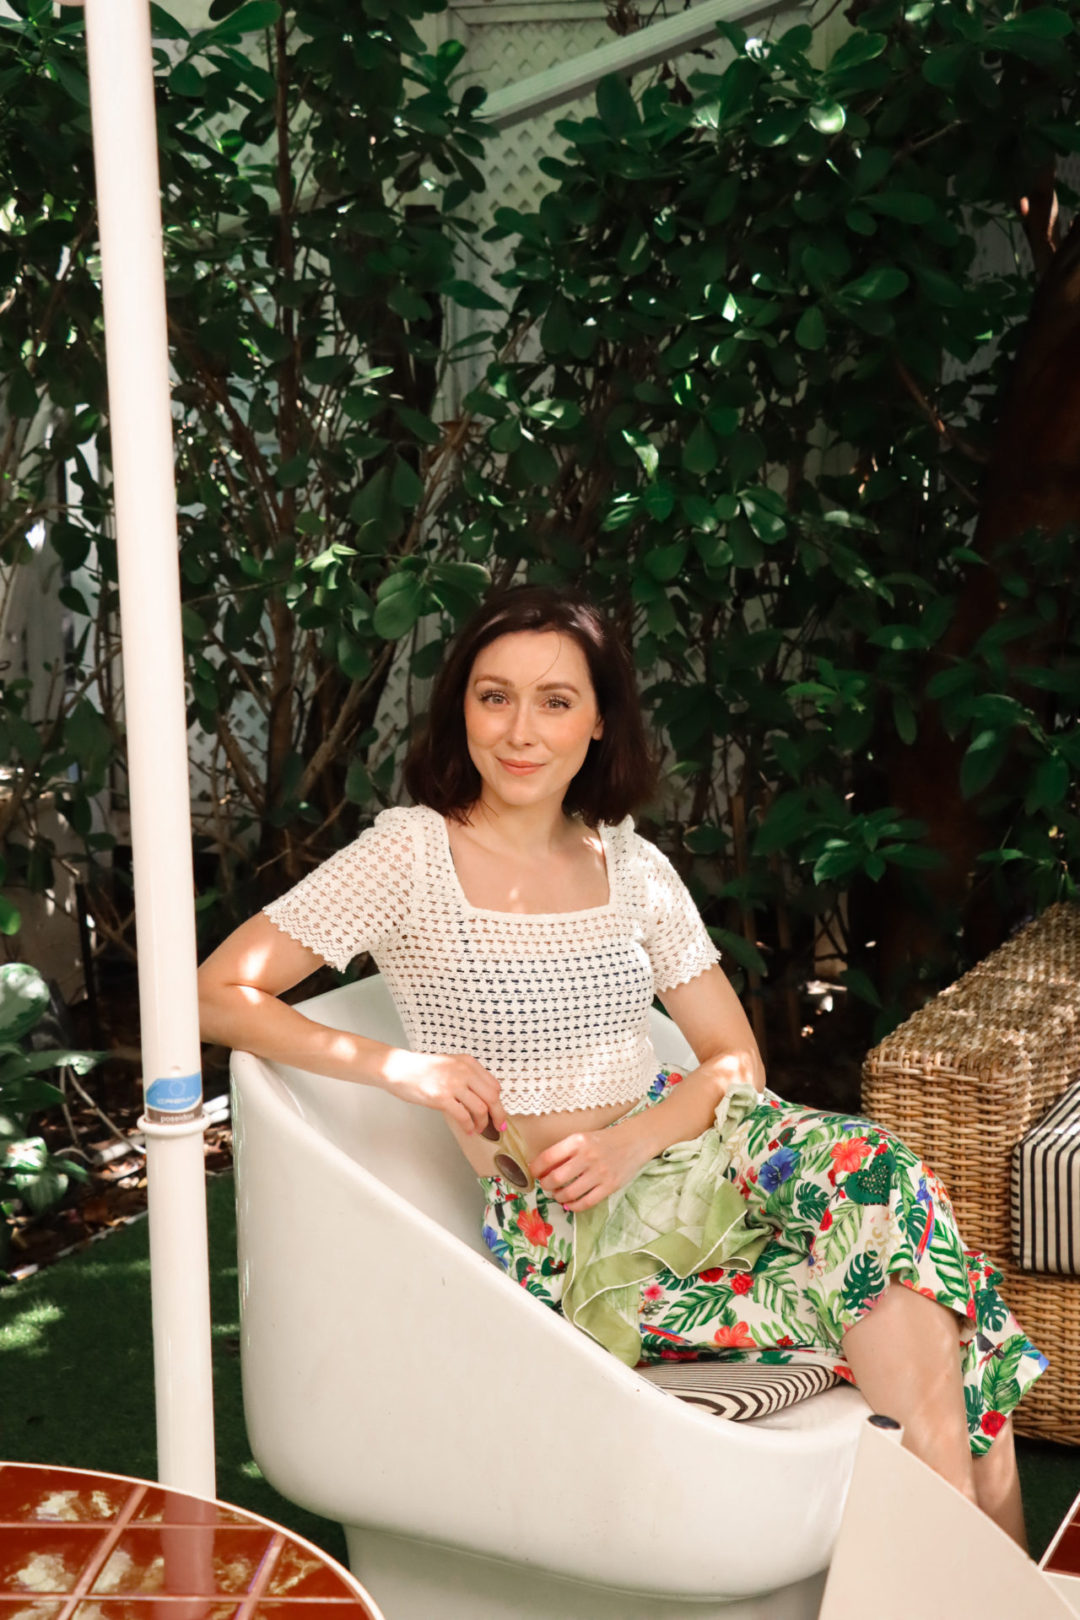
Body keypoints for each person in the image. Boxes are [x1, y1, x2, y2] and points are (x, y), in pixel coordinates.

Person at [197, 583, 1044, 1548]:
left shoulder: (629, 865)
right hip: (578, 1235)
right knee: (931, 1290)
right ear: (459, 708)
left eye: (556, 702)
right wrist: (409, 1069)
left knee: (896, 1213)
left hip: (703, 1162)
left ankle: (967, 1581)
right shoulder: (411, 856)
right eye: (493, 696)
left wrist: (634, 1141)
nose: (521, 731)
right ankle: (985, 1576)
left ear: (599, 722)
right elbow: (216, 993)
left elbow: (735, 1062)